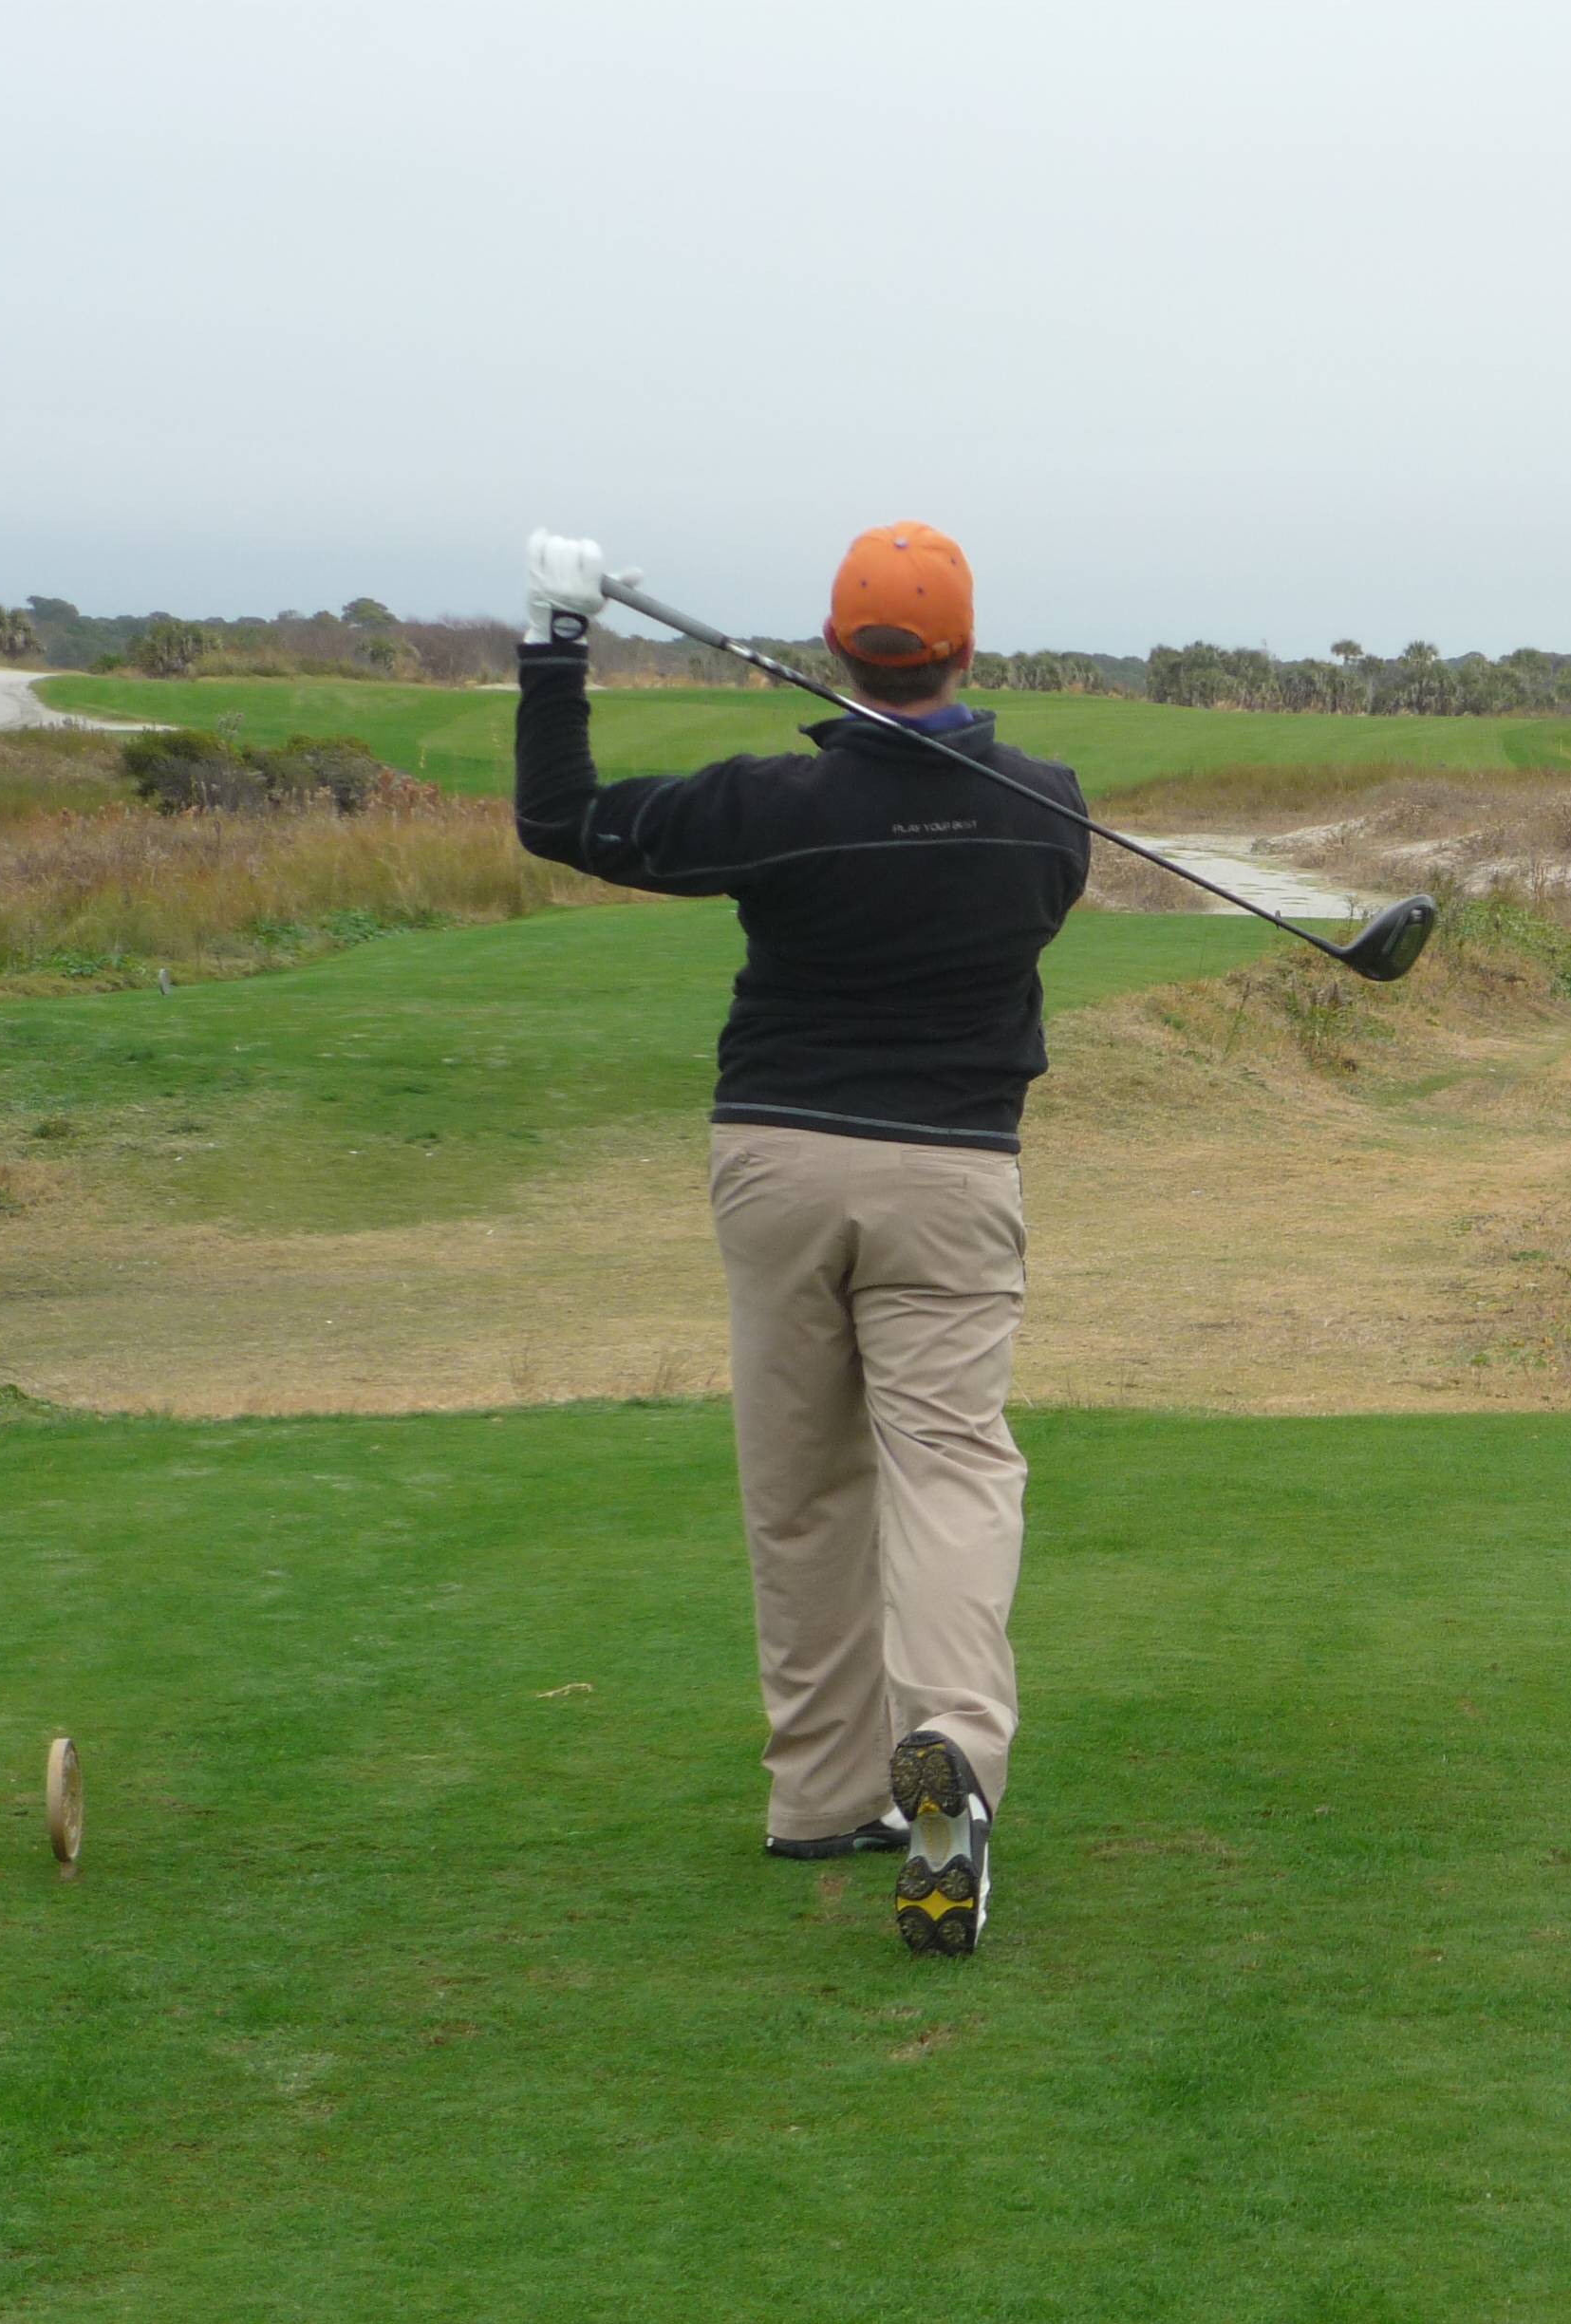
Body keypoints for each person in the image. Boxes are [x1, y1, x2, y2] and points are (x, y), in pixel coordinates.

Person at [512, 523, 1088, 1956]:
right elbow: (1002, 870)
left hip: (776, 1163)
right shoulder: (1048, 811)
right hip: (952, 1172)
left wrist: (555, 642)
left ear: (837, 647)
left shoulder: (770, 803)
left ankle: (823, 1794)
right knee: (949, 1469)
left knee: (801, 1480)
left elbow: (562, 820)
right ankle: (947, 1754)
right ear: (966, 647)